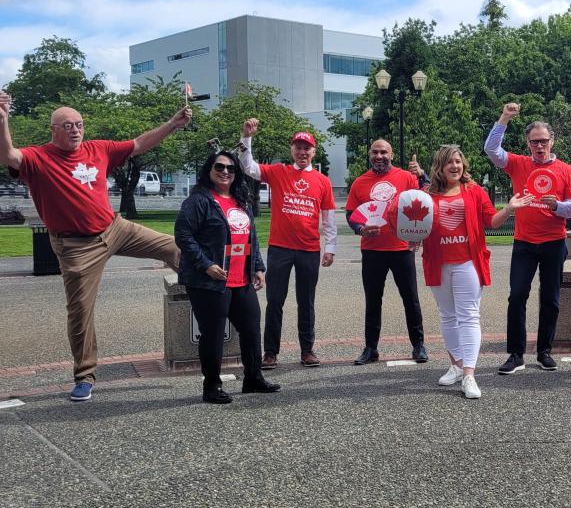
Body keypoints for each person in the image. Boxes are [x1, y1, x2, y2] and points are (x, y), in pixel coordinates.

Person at [0, 90, 188, 402]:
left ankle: (201, 293)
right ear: (53, 130)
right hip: (76, 246)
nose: (75, 130)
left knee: (177, 248)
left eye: (79, 124)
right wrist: (1, 119)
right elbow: (7, 156)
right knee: (80, 312)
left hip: (114, 228)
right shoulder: (38, 158)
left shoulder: (99, 149)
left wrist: (172, 124)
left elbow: (139, 144)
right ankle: (84, 376)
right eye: (67, 125)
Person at [421, 145, 534, 399]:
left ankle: (469, 375)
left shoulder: (474, 191)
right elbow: (417, 226)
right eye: (449, 162)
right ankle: (456, 366)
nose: (454, 166)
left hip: (467, 263)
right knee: (447, 316)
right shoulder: (427, 195)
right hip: (438, 263)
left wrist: (509, 209)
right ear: (439, 166)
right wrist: (412, 237)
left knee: (469, 316)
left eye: (458, 161)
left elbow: (491, 221)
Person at [174, 151, 280, 403]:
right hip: (210, 281)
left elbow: (251, 237)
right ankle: (212, 386)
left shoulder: (241, 200)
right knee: (212, 333)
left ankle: (253, 378)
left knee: (251, 328)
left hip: (241, 278)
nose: (225, 172)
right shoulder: (198, 201)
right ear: (209, 170)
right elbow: (183, 236)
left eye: (231, 168)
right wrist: (206, 265)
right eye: (219, 167)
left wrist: (258, 266)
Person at [484, 102, 571, 375]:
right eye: (534, 141)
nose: (539, 146)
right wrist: (504, 118)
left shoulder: (565, 169)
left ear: (552, 141)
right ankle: (516, 354)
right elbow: (492, 150)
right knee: (517, 296)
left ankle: (544, 351)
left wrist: (557, 206)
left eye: (543, 141)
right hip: (524, 242)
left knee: (550, 299)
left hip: (554, 242)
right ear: (528, 143)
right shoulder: (518, 163)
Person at [238, 119, 336, 368]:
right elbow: (248, 166)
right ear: (292, 150)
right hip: (280, 248)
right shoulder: (278, 172)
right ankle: (270, 352)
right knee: (275, 300)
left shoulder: (323, 181)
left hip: (309, 249)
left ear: (314, 152)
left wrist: (330, 248)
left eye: (307, 148)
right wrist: (247, 137)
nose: (302, 152)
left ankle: (307, 350)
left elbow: (328, 218)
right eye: (298, 148)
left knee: (306, 301)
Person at [346, 140, 428, 365]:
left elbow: (426, 198)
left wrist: (422, 175)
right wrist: (361, 229)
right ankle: (371, 348)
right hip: (372, 250)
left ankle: (418, 345)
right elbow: (351, 214)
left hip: (402, 248)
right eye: (375, 152)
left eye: (384, 152)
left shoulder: (407, 177)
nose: (379, 156)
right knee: (373, 301)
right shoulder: (360, 182)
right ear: (369, 154)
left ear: (391, 154)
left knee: (411, 299)